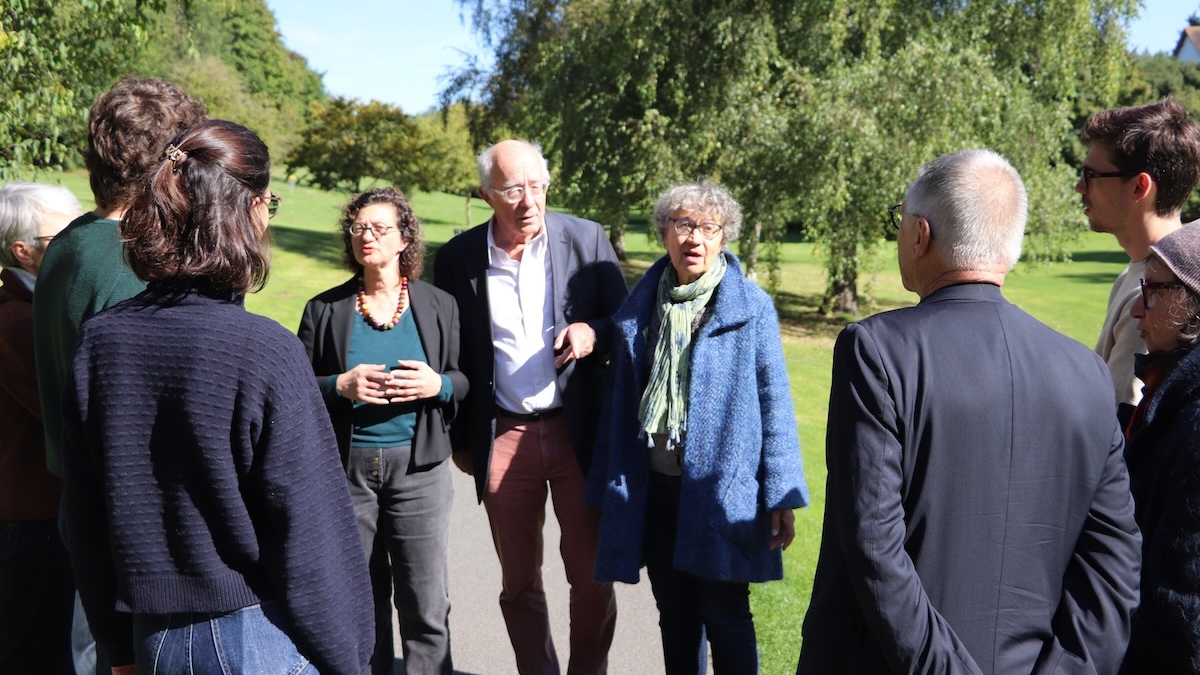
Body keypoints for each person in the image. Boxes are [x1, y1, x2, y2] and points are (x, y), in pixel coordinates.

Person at [798, 149, 1142, 674]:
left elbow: (873, 547)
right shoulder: (1086, 373)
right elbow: (1114, 566)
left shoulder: (878, 351)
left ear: (919, 234)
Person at [60, 119, 373, 674]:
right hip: (256, 637)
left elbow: (84, 515)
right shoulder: (264, 351)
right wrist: (351, 661)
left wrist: (116, 648)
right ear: (248, 210)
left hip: (151, 641)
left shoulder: (101, 342)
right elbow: (313, 537)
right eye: (268, 204)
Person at [586, 181, 808, 673]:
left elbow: (775, 403)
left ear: (723, 238)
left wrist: (782, 495)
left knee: (726, 615)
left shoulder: (750, 308)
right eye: (684, 225)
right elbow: (619, 407)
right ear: (665, 232)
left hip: (722, 495)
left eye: (710, 228)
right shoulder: (639, 311)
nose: (695, 239)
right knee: (676, 616)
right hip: (656, 489)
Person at [31, 75, 207, 675]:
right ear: (168, 165)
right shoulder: (132, 263)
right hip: (128, 519)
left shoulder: (68, 243)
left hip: (79, 498)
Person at [432, 139, 626, 674]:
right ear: (486, 194)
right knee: (518, 583)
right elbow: (448, 351)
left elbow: (628, 324)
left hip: (576, 434)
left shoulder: (586, 240)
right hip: (503, 436)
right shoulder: (457, 259)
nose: (528, 201)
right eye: (512, 189)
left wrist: (595, 332)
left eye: (536, 186)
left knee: (590, 576)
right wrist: (462, 442)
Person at [299, 187, 467, 675]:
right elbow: (298, 389)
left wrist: (438, 384)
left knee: (426, 603)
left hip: (419, 472)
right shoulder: (323, 309)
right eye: (358, 228)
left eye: (379, 228)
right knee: (360, 603)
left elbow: (463, 379)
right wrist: (339, 384)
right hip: (347, 473)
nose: (365, 236)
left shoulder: (438, 305)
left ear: (404, 239)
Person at [0, 182, 82, 673]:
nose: (78, 243)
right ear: (23, 251)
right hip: (29, 522)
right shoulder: (15, 322)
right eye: (64, 235)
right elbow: (65, 409)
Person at [1077, 98, 1200, 425]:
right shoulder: (1141, 276)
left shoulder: (1155, 296)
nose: (1079, 187)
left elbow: (1113, 429)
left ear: (1139, 187)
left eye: (1090, 175)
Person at [1117, 224, 1200, 673]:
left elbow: (1183, 601)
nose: (1135, 309)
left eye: (1151, 291)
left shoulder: (1194, 420)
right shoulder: (1174, 391)